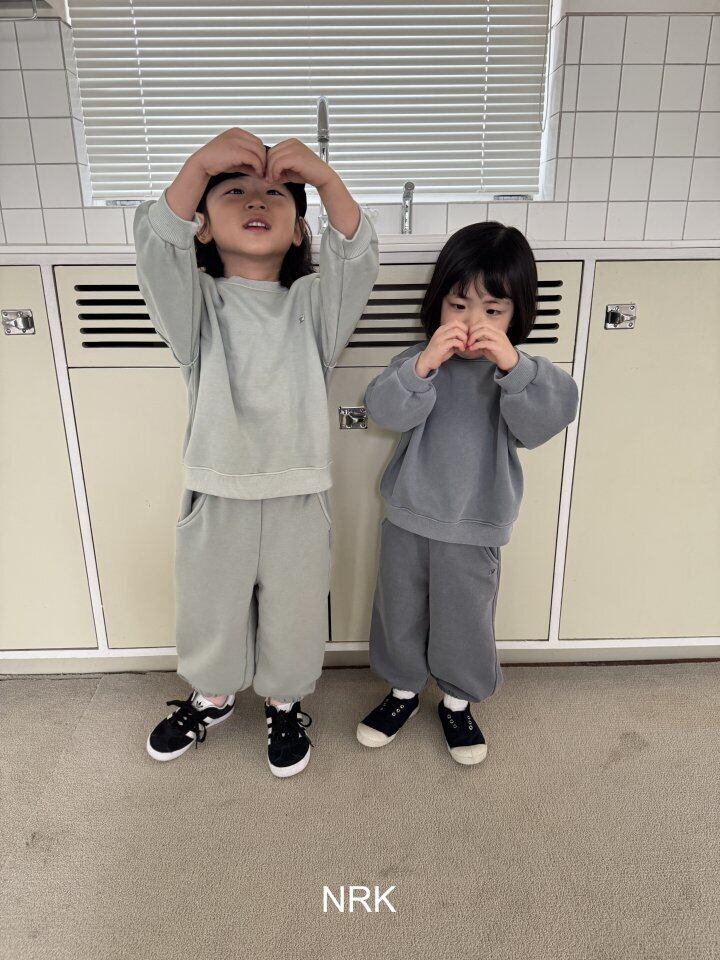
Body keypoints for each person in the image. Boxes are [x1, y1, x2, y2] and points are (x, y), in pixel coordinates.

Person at [133, 128, 379, 776]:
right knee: (209, 607)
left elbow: (356, 255)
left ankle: (284, 702)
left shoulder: (313, 306)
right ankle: (212, 697)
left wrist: (325, 179)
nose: (255, 201)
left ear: (299, 231)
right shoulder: (196, 307)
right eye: (235, 192)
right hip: (217, 491)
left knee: (296, 613)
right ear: (203, 227)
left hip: (298, 492)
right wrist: (198, 165)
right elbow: (158, 248)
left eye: (274, 195)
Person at [356, 221, 578, 765]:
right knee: (399, 611)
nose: (473, 322)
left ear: (516, 315)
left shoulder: (520, 374)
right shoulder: (418, 361)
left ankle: (457, 702)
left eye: (492, 310)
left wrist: (513, 365)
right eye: (458, 305)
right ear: (438, 305)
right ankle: (402, 691)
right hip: (408, 516)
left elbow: (548, 418)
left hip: (476, 524)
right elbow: (383, 410)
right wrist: (423, 364)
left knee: (466, 620)